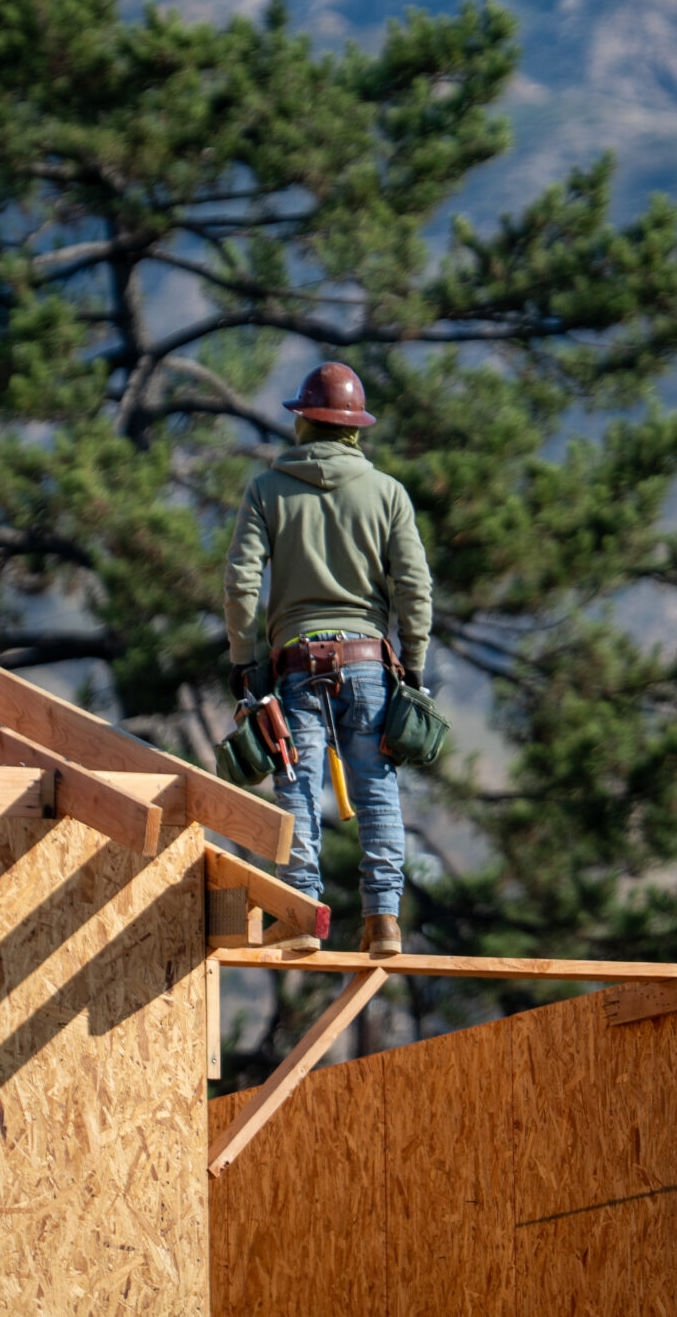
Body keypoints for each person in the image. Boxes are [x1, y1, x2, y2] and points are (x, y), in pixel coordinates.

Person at [223, 361, 433, 959]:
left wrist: (246, 659)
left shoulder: (266, 491)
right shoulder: (388, 493)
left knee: (295, 786)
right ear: (354, 430)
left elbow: (241, 583)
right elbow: (415, 587)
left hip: (294, 665)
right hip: (370, 664)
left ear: (303, 424)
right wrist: (412, 664)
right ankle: (384, 923)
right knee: (377, 792)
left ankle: (300, 916)